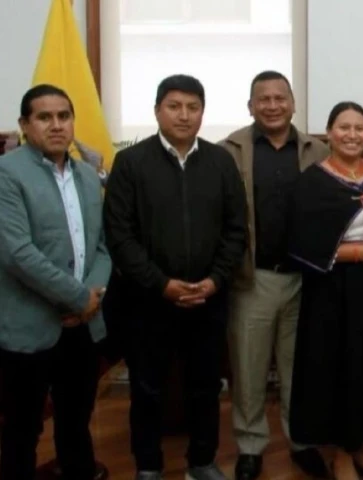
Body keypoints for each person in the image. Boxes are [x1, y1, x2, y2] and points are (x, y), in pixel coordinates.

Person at [103, 74, 247, 480]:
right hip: (148, 302)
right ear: (157, 111)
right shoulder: (131, 163)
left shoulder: (221, 162)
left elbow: (236, 229)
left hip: (208, 298)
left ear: (203, 112)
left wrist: (215, 280)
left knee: (205, 387)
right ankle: (148, 465)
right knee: (148, 389)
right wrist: (160, 283)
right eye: (174, 106)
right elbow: (120, 234)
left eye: (193, 107)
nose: (184, 115)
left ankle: (201, 461)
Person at [287, 101, 363, 480]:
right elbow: (301, 243)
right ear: (329, 133)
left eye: (360, 128)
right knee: (339, 370)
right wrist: (362, 252)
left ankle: (358, 448)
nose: (353, 134)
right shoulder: (312, 181)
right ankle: (340, 455)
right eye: (344, 127)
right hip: (333, 291)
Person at [219, 70, 329, 480]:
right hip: (254, 278)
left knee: (298, 370)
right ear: (250, 106)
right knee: (247, 370)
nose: (272, 105)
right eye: (262, 99)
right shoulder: (229, 150)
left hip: (306, 279)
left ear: (293, 103)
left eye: (279, 98)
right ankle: (250, 447)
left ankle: (301, 441)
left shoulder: (318, 151)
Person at [0, 84, 111, 480]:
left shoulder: (85, 175)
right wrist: (78, 296)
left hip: (81, 323)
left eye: (64, 116)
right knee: (21, 428)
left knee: (75, 420)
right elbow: (17, 253)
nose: (57, 125)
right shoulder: (7, 174)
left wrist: (92, 297)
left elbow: (101, 247)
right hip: (29, 325)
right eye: (44, 117)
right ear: (24, 125)